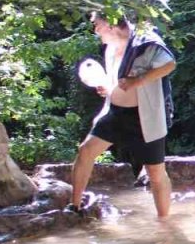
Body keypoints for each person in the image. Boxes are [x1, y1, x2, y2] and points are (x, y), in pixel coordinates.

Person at [69, 13, 176, 218]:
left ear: (110, 24)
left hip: (144, 117)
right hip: (115, 112)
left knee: (155, 173)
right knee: (86, 150)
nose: (95, 30)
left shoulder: (144, 41)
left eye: (97, 25)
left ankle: (165, 224)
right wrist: (106, 87)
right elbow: (117, 82)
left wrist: (138, 81)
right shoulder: (110, 47)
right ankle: (74, 207)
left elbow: (169, 64)